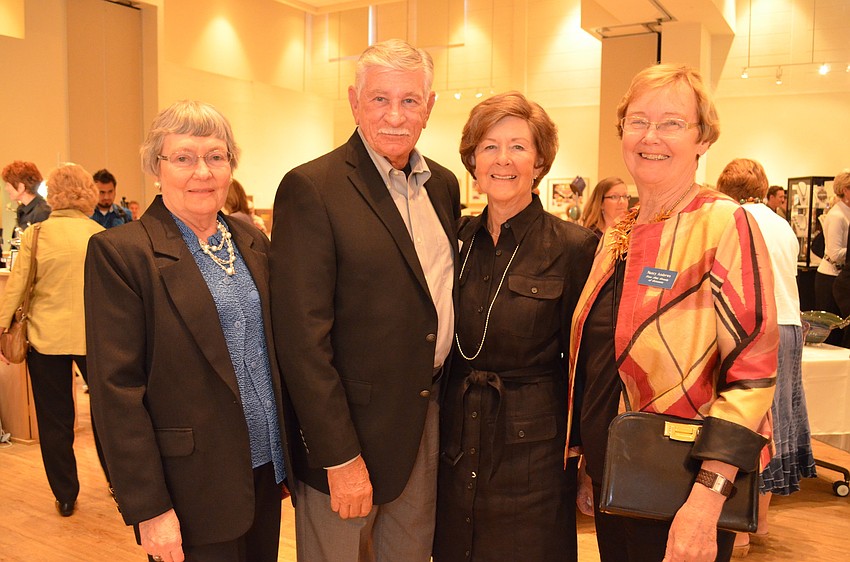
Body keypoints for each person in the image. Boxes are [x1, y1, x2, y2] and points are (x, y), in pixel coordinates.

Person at [570, 65, 778, 562]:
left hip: (682, 483)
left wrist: (707, 500)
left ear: (702, 138)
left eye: (671, 123)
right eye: (638, 121)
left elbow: (752, 375)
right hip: (617, 477)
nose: (651, 136)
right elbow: (603, 360)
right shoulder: (619, 236)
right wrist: (589, 465)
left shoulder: (725, 224)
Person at [270, 39, 459, 562]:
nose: (395, 116)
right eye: (380, 99)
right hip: (349, 436)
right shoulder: (312, 187)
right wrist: (339, 456)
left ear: (430, 105)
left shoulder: (442, 185)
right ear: (354, 102)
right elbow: (301, 340)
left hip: (425, 421)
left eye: (410, 100)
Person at [85, 100, 293, 562]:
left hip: (264, 474)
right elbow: (116, 392)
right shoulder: (122, 254)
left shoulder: (251, 240)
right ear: (156, 168)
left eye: (216, 157)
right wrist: (149, 508)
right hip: (188, 488)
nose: (202, 171)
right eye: (183, 157)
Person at [433, 92, 596, 561]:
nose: (503, 160)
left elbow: (587, 364)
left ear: (540, 161)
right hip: (455, 438)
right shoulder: (452, 240)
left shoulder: (575, 247)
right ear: (472, 160)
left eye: (518, 147)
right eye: (489, 146)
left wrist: (588, 459)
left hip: (535, 453)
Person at [716, 158, 816, 556]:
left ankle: (739, 530)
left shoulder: (735, 217)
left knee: (751, 422)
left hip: (758, 328)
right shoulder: (780, 221)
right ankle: (760, 521)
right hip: (791, 325)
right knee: (782, 423)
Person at [0, 163, 104, 517]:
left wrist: (1, 328)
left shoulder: (37, 234)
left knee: (55, 420)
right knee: (109, 417)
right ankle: (121, 485)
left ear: (53, 194)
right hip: (96, 339)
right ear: (88, 193)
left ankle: (66, 494)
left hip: (46, 340)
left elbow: (16, 286)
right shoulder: (100, 234)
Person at [814, 172, 850, 346]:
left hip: (838, 275)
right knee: (833, 333)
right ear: (846, 190)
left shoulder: (845, 212)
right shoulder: (837, 216)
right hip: (829, 277)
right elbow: (834, 253)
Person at [2, 160, 51, 230]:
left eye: (8, 185)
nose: (6, 189)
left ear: (21, 187)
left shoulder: (42, 212)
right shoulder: (22, 209)